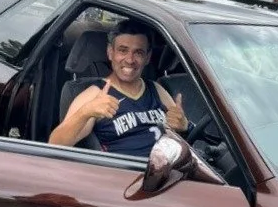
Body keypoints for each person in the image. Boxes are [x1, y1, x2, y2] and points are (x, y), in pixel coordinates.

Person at [49, 19, 188, 157]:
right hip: (127, 175)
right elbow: (55, 145)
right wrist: (86, 112)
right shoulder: (94, 94)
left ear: (147, 57)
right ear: (110, 52)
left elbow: (179, 126)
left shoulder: (156, 89)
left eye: (138, 52)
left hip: (167, 170)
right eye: (123, 50)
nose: (130, 59)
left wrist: (183, 125)